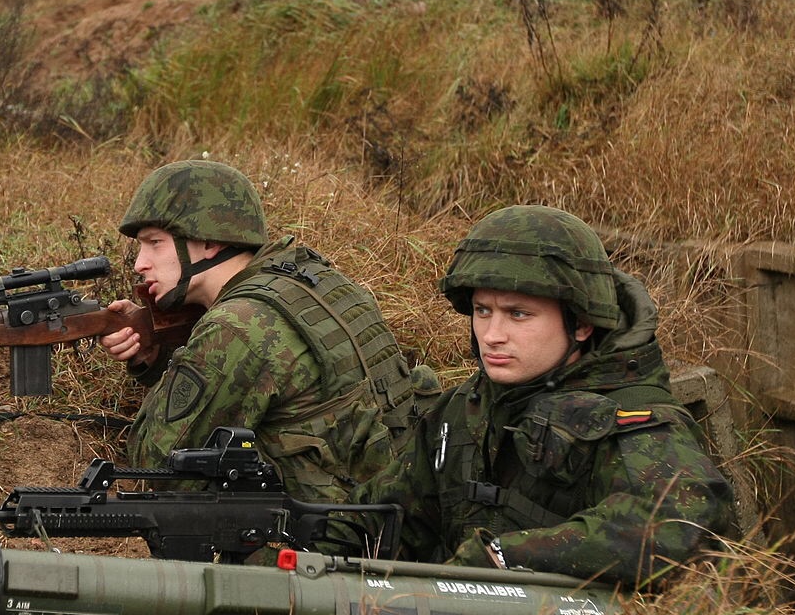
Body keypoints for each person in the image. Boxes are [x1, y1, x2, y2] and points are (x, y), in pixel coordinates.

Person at [353, 205, 735, 588]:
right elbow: (386, 515)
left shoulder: (629, 421)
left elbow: (679, 522)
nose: (492, 334)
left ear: (582, 323)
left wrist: (505, 557)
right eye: (482, 310)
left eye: (518, 314)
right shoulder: (465, 407)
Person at [100, 160, 420, 503]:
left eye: (154, 243)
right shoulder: (312, 278)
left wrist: (180, 362)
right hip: (401, 502)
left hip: (330, 541)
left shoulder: (235, 327)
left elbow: (156, 464)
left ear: (208, 241)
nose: (139, 263)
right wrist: (155, 353)